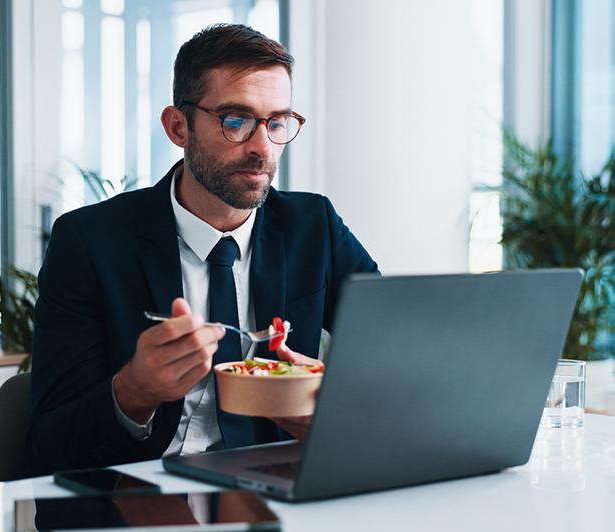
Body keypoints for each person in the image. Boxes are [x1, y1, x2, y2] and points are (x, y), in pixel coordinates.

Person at [28, 23, 378, 475]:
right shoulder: (90, 242)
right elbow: (48, 447)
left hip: (278, 491)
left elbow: (394, 363)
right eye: (236, 121)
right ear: (178, 126)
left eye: (276, 123)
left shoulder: (316, 228)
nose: (262, 147)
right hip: (141, 498)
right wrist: (134, 391)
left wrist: (331, 409)